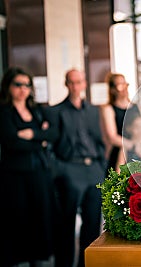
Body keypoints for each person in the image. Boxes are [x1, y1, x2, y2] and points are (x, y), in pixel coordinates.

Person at [0, 67, 59, 266]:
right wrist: (39, 138)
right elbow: (11, 142)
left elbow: (52, 134)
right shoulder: (4, 112)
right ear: (8, 87)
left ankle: (39, 259)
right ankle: (20, 260)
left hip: (40, 171)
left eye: (27, 85)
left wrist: (32, 134)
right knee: (19, 217)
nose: (23, 89)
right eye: (18, 84)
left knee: (40, 216)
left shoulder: (36, 110)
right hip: (15, 174)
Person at [51, 69, 106, 267]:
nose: (76, 86)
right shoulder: (56, 111)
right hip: (69, 169)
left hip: (93, 170)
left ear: (84, 84)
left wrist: (101, 167)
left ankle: (86, 264)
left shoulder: (93, 110)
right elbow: (51, 145)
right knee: (65, 224)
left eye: (79, 82)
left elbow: (99, 140)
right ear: (66, 84)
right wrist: (59, 169)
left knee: (92, 224)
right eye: (72, 82)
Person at [100, 72, 141, 172]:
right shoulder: (109, 109)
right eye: (120, 85)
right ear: (113, 89)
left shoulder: (137, 106)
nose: (125, 88)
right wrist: (134, 147)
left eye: (125, 84)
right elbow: (113, 137)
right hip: (123, 151)